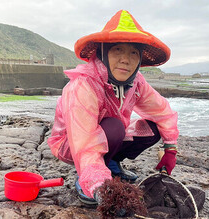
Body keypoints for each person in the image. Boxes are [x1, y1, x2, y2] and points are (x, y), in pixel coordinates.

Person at [47, 10, 179, 204]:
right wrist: (99, 186)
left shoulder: (136, 83)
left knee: (152, 129)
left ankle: (112, 165)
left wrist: (171, 149)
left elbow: (162, 111)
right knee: (114, 127)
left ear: (140, 58)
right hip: (72, 144)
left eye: (133, 52)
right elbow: (84, 143)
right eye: (118, 50)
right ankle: (85, 177)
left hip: (109, 137)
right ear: (103, 51)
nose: (125, 59)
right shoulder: (83, 86)